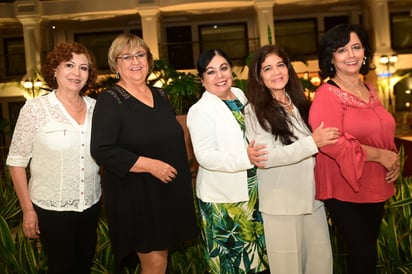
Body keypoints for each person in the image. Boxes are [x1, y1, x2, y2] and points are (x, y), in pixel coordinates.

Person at [90, 34, 198, 274]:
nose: (135, 61)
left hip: (165, 192)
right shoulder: (110, 99)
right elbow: (101, 149)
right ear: (115, 64)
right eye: (126, 57)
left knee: (161, 259)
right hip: (135, 194)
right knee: (155, 263)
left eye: (140, 55)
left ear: (148, 60)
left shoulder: (160, 95)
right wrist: (150, 165)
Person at [308, 24, 400, 274]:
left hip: (374, 185)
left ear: (365, 52)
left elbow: (383, 132)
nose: (351, 55)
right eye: (341, 50)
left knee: (367, 255)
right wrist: (380, 155)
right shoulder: (327, 94)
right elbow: (330, 142)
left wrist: (392, 159)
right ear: (331, 57)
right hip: (343, 189)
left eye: (356, 47)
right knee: (363, 254)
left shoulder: (370, 89)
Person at [6, 41, 101, 274]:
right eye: (69, 65)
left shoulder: (97, 109)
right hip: (51, 208)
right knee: (61, 268)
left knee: (84, 265)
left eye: (83, 67)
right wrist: (28, 210)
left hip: (91, 203)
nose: (76, 73)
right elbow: (16, 162)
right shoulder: (35, 109)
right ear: (54, 70)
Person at [245, 44, 338, 274]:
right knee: (288, 268)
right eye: (267, 68)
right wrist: (312, 143)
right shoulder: (254, 110)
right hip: (282, 206)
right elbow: (267, 157)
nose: (276, 72)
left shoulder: (300, 103)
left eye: (280, 65)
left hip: (313, 202)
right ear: (258, 76)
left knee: (321, 265)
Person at [187, 48, 269, 274]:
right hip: (225, 202)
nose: (219, 76)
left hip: (252, 193)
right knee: (232, 267)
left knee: (258, 263)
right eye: (211, 72)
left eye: (223, 68)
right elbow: (204, 156)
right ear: (202, 79)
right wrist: (246, 157)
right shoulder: (200, 110)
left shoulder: (240, 96)